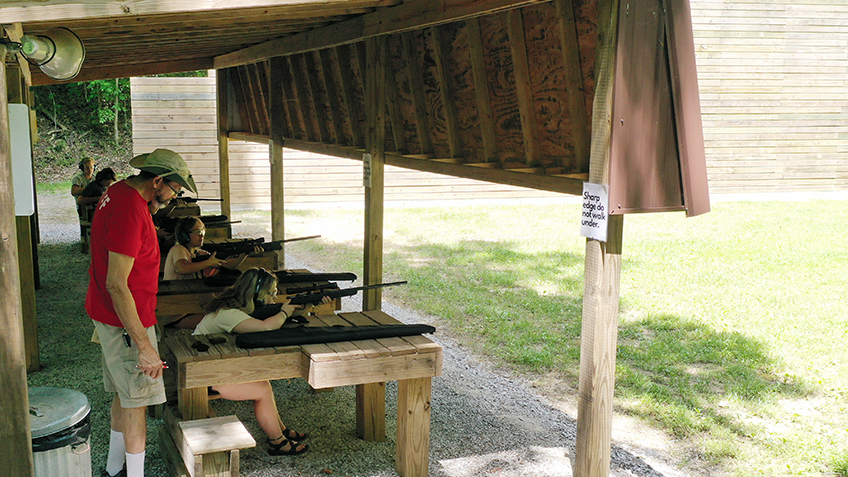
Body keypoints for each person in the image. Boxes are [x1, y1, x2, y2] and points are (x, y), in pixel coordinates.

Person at [86, 148, 197, 477]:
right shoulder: (131, 209)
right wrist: (144, 345)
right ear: (158, 181)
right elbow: (117, 284)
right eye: (173, 191)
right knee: (137, 404)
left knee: (125, 395)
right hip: (126, 320)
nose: (172, 198)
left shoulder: (118, 191)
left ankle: (113, 470)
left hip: (116, 316)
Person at [193, 268, 327, 456]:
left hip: (209, 367)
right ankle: (277, 443)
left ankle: (279, 431)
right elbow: (265, 327)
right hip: (200, 376)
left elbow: (266, 319)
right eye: (270, 293)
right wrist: (284, 312)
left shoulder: (235, 307)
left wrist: (303, 308)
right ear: (255, 293)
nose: (274, 298)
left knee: (264, 384)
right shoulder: (228, 313)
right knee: (262, 390)